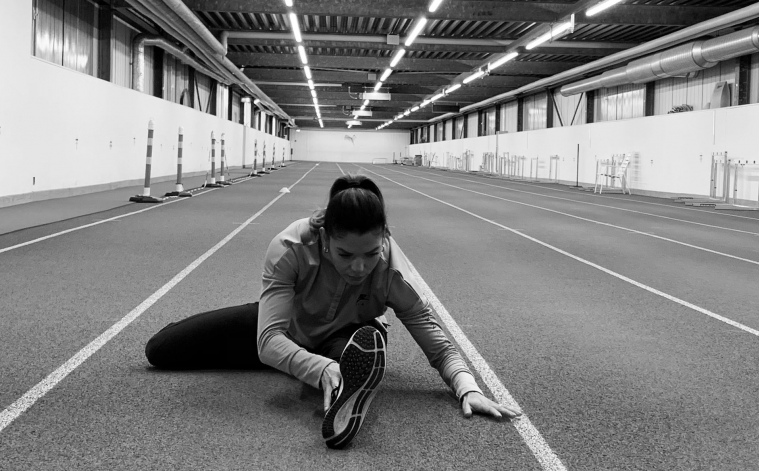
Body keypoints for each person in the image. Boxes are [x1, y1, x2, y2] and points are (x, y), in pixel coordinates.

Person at [145, 174, 522, 449]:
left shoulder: (391, 272)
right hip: (288, 328)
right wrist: (314, 367)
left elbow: (433, 339)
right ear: (325, 237)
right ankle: (313, 366)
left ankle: (350, 370)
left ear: (384, 239)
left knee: (354, 350)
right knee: (160, 350)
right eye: (346, 255)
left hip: (345, 335)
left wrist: (466, 387)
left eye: (370, 254)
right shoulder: (290, 248)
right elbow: (268, 339)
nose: (359, 268)